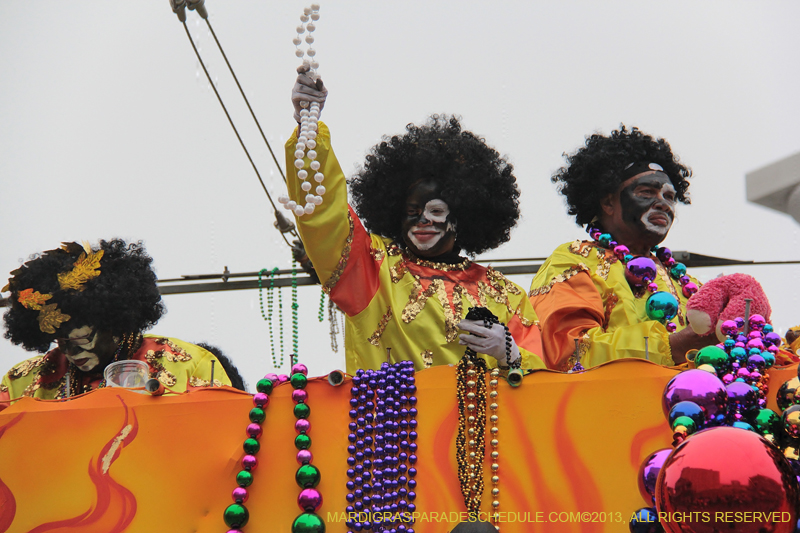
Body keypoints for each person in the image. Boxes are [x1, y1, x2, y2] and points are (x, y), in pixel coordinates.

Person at [284, 67, 545, 373]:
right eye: (412, 211)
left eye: (435, 211)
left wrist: (511, 355)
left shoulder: (506, 294)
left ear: (461, 218)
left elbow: (546, 383)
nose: (422, 220)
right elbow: (326, 215)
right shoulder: (373, 268)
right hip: (395, 421)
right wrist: (309, 129)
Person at [530, 126, 715, 370]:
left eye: (669, 197)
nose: (662, 204)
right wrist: (675, 346)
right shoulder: (574, 261)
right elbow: (570, 353)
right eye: (647, 192)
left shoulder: (687, 282)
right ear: (608, 202)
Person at [0, 239, 231, 407]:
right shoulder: (22, 382)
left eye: (81, 339)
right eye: (61, 341)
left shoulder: (190, 364)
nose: (70, 351)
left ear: (113, 324)